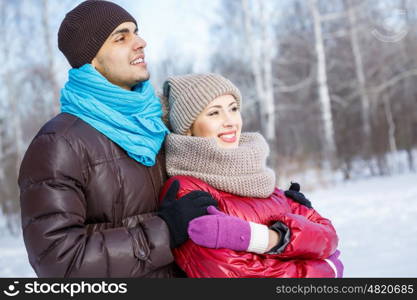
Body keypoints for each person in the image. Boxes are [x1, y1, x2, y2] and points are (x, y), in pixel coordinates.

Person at [17, 0, 217, 277]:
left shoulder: (159, 124)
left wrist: (280, 207)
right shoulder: (59, 144)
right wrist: (165, 231)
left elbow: (212, 193)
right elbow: (57, 262)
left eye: (136, 32)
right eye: (121, 37)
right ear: (91, 61)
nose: (140, 42)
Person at [160, 73, 344, 278]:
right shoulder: (187, 191)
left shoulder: (261, 181)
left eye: (233, 108)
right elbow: (232, 274)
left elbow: (329, 238)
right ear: (188, 130)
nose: (230, 121)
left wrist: (274, 239)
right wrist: (325, 269)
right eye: (214, 113)